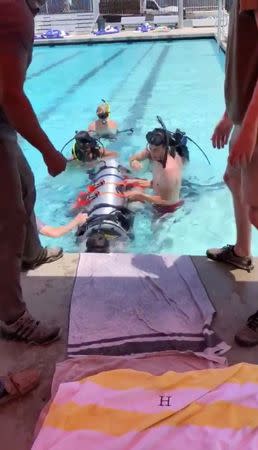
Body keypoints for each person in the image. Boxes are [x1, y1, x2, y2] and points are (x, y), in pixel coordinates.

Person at [0, 0, 67, 345]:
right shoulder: (14, 13)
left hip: (3, 124)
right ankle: (13, 318)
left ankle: (31, 253)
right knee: (7, 220)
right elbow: (11, 95)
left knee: (24, 187)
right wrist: (49, 152)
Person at [205, 0, 258, 346]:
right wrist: (231, 114)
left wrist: (251, 125)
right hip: (246, 113)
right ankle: (242, 252)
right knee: (232, 178)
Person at [125, 127, 188, 216]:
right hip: (160, 191)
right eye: (151, 148)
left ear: (165, 148)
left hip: (168, 210)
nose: (152, 153)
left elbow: (165, 201)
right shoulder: (155, 153)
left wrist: (140, 196)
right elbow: (134, 158)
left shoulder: (169, 171)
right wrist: (134, 162)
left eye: (156, 150)